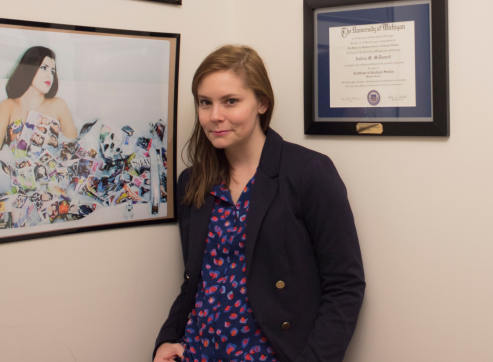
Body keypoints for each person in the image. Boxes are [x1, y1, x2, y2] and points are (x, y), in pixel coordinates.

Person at [153, 45, 365, 362]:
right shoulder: (193, 182)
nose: (214, 116)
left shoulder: (309, 173)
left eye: (231, 101)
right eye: (205, 103)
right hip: (199, 352)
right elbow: (196, 279)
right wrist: (168, 338)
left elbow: (345, 286)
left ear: (262, 103)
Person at [0, 46, 77, 150]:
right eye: (44, 68)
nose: (50, 75)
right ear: (28, 68)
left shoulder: (59, 105)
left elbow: (75, 150)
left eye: (52, 71)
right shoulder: (7, 106)